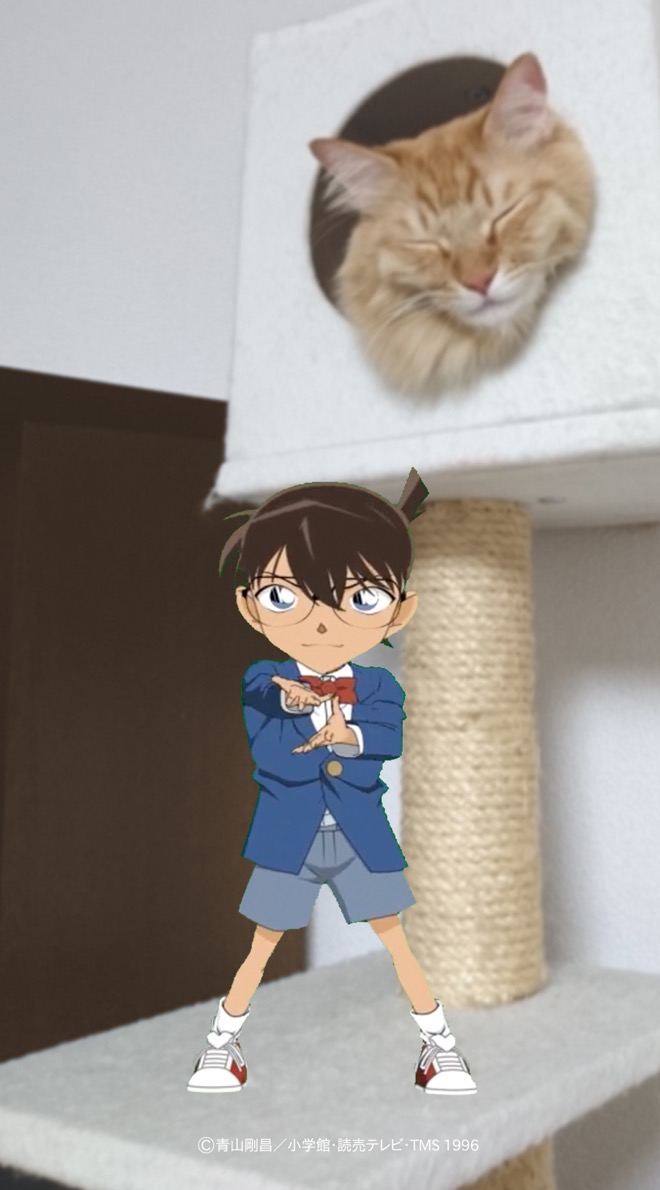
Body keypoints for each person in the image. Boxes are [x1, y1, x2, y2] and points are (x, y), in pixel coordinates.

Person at [187, 468, 476, 1095]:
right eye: (284, 597)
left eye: (360, 599)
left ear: (399, 612)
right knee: (262, 946)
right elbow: (268, 715)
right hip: (287, 838)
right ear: (249, 606)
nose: (321, 622)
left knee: (398, 944)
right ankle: (221, 1048)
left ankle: (440, 1051)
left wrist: (350, 738)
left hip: (357, 835)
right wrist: (296, 705)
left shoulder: (378, 686)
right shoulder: (262, 680)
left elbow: (389, 738)